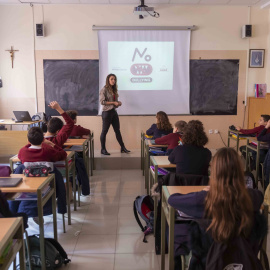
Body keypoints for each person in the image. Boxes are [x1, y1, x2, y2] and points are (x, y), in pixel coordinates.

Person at [168, 147, 265, 269]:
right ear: (240, 171)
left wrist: (205, 191)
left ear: (214, 172)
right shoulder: (252, 197)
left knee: (175, 233)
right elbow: (260, 196)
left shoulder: (204, 198)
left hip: (208, 260)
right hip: (244, 258)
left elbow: (172, 199)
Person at [9, 127, 67, 218]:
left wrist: (28, 144)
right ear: (43, 139)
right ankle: (62, 208)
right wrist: (52, 144)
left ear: (28, 140)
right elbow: (63, 155)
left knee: (19, 168)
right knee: (57, 173)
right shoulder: (48, 150)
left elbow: (20, 157)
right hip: (48, 185)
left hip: (27, 185)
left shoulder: (23, 151)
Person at [99, 73, 130, 155]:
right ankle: (103, 149)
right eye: (112, 79)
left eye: (114, 79)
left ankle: (123, 147)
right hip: (106, 113)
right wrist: (113, 102)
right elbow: (102, 102)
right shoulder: (104, 89)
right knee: (104, 131)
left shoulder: (114, 89)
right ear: (108, 80)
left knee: (117, 131)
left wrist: (118, 103)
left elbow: (114, 103)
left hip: (113, 112)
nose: (113, 81)